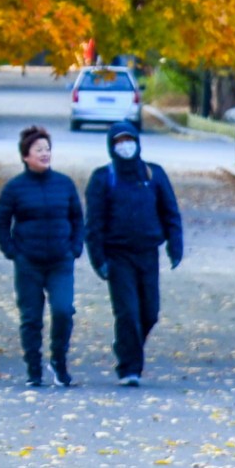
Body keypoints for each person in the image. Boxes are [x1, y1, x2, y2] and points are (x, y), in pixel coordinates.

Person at [85, 119, 184, 387]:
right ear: (111, 146)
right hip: (118, 256)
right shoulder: (103, 178)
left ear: (137, 143)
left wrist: (175, 245)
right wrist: (98, 260)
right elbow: (93, 224)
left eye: (129, 140)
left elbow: (170, 213)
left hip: (148, 254)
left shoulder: (154, 174)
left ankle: (128, 347)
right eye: (119, 142)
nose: (125, 146)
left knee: (149, 312)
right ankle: (129, 368)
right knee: (128, 312)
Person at [0, 124, 85, 387]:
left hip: (60, 261)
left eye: (47, 149)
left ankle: (59, 360)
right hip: (28, 263)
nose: (44, 154)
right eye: (38, 150)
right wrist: (13, 252)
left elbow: (78, 219)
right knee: (31, 318)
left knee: (63, 310)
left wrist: (74, 248)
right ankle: (33, 368)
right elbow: (0, 222)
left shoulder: (64, 184)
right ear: (26, 156)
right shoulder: (15, 188)